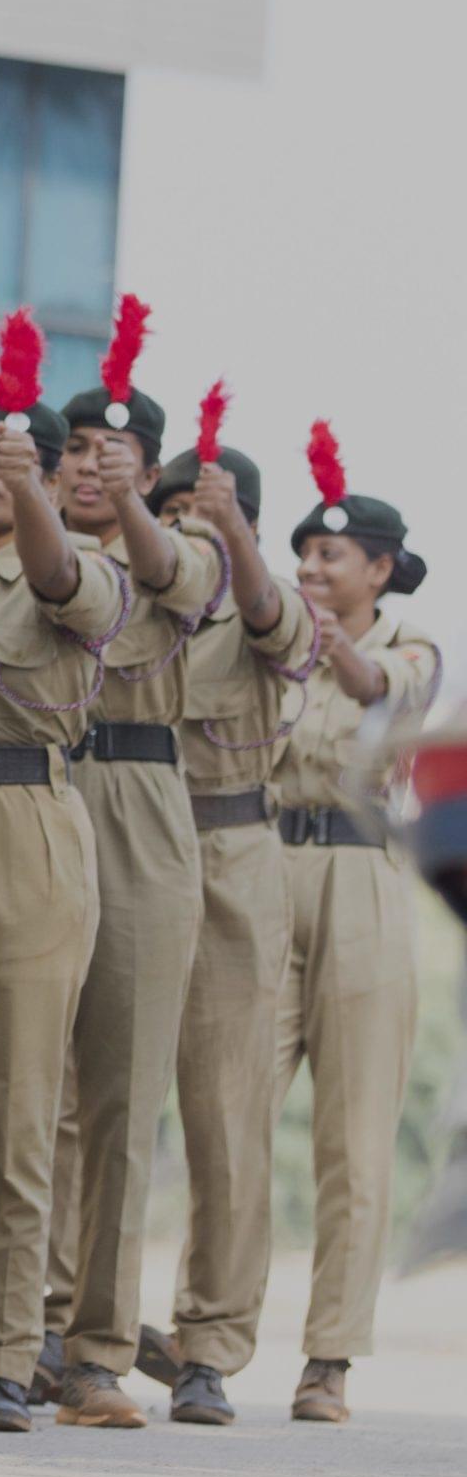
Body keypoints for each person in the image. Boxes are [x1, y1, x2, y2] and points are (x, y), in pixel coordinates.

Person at [0, 314, 129, 1433]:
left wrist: (27, 496)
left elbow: (56, 577)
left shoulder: (83, 562)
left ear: (49, 476)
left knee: (13, 1103)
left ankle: (1, 1350)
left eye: (3, 462)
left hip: (27, 817)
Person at [41, 302, 228, 1428]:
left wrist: (133, 511)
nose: (90, 464)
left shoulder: (182, 550)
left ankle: (96, 1342)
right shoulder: (12, 539)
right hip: (25, 786)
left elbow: (169, 574)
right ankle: (2, 1330)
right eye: (73, 448)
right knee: (12, 1093)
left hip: (140, 800)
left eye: (114, 453)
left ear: (153, 472)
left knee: (118, 1092)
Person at [130, 415, 317, 1426]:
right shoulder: (124, 599)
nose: (187, 538)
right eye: (173, 519)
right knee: (96, 1099)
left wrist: (231, 528)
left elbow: (261, 604)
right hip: (128, 830)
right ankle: (74, 1325)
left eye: (207, 519)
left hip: (232, 852)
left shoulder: (263, 601)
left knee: (226, 1114)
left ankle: (207, 1345)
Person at [267, 425, 441, 1425]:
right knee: (227, 1110)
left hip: (363, 873)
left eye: (331, 555)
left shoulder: (410, 648)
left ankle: (329, 1356)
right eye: (302, 553)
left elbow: (378, 690)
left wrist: (319, 633)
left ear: (379, 568)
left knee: (353, 1133)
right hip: (264, 863)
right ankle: (208, 1335)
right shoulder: (269, 633)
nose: (309, 568)